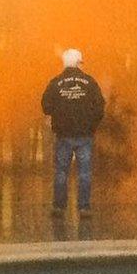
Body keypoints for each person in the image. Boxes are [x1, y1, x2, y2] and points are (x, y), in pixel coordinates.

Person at [41, 48, 105, 218]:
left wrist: (58, 116)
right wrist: (92, 125)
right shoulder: (90, 82)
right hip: (85, 134)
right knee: (84, 172)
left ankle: (59, 207)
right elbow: (100, 106)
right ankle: (84, 208)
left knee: (61, 171)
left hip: (63, 134)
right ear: (78, 63)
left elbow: (45, 105)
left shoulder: (55, 82)